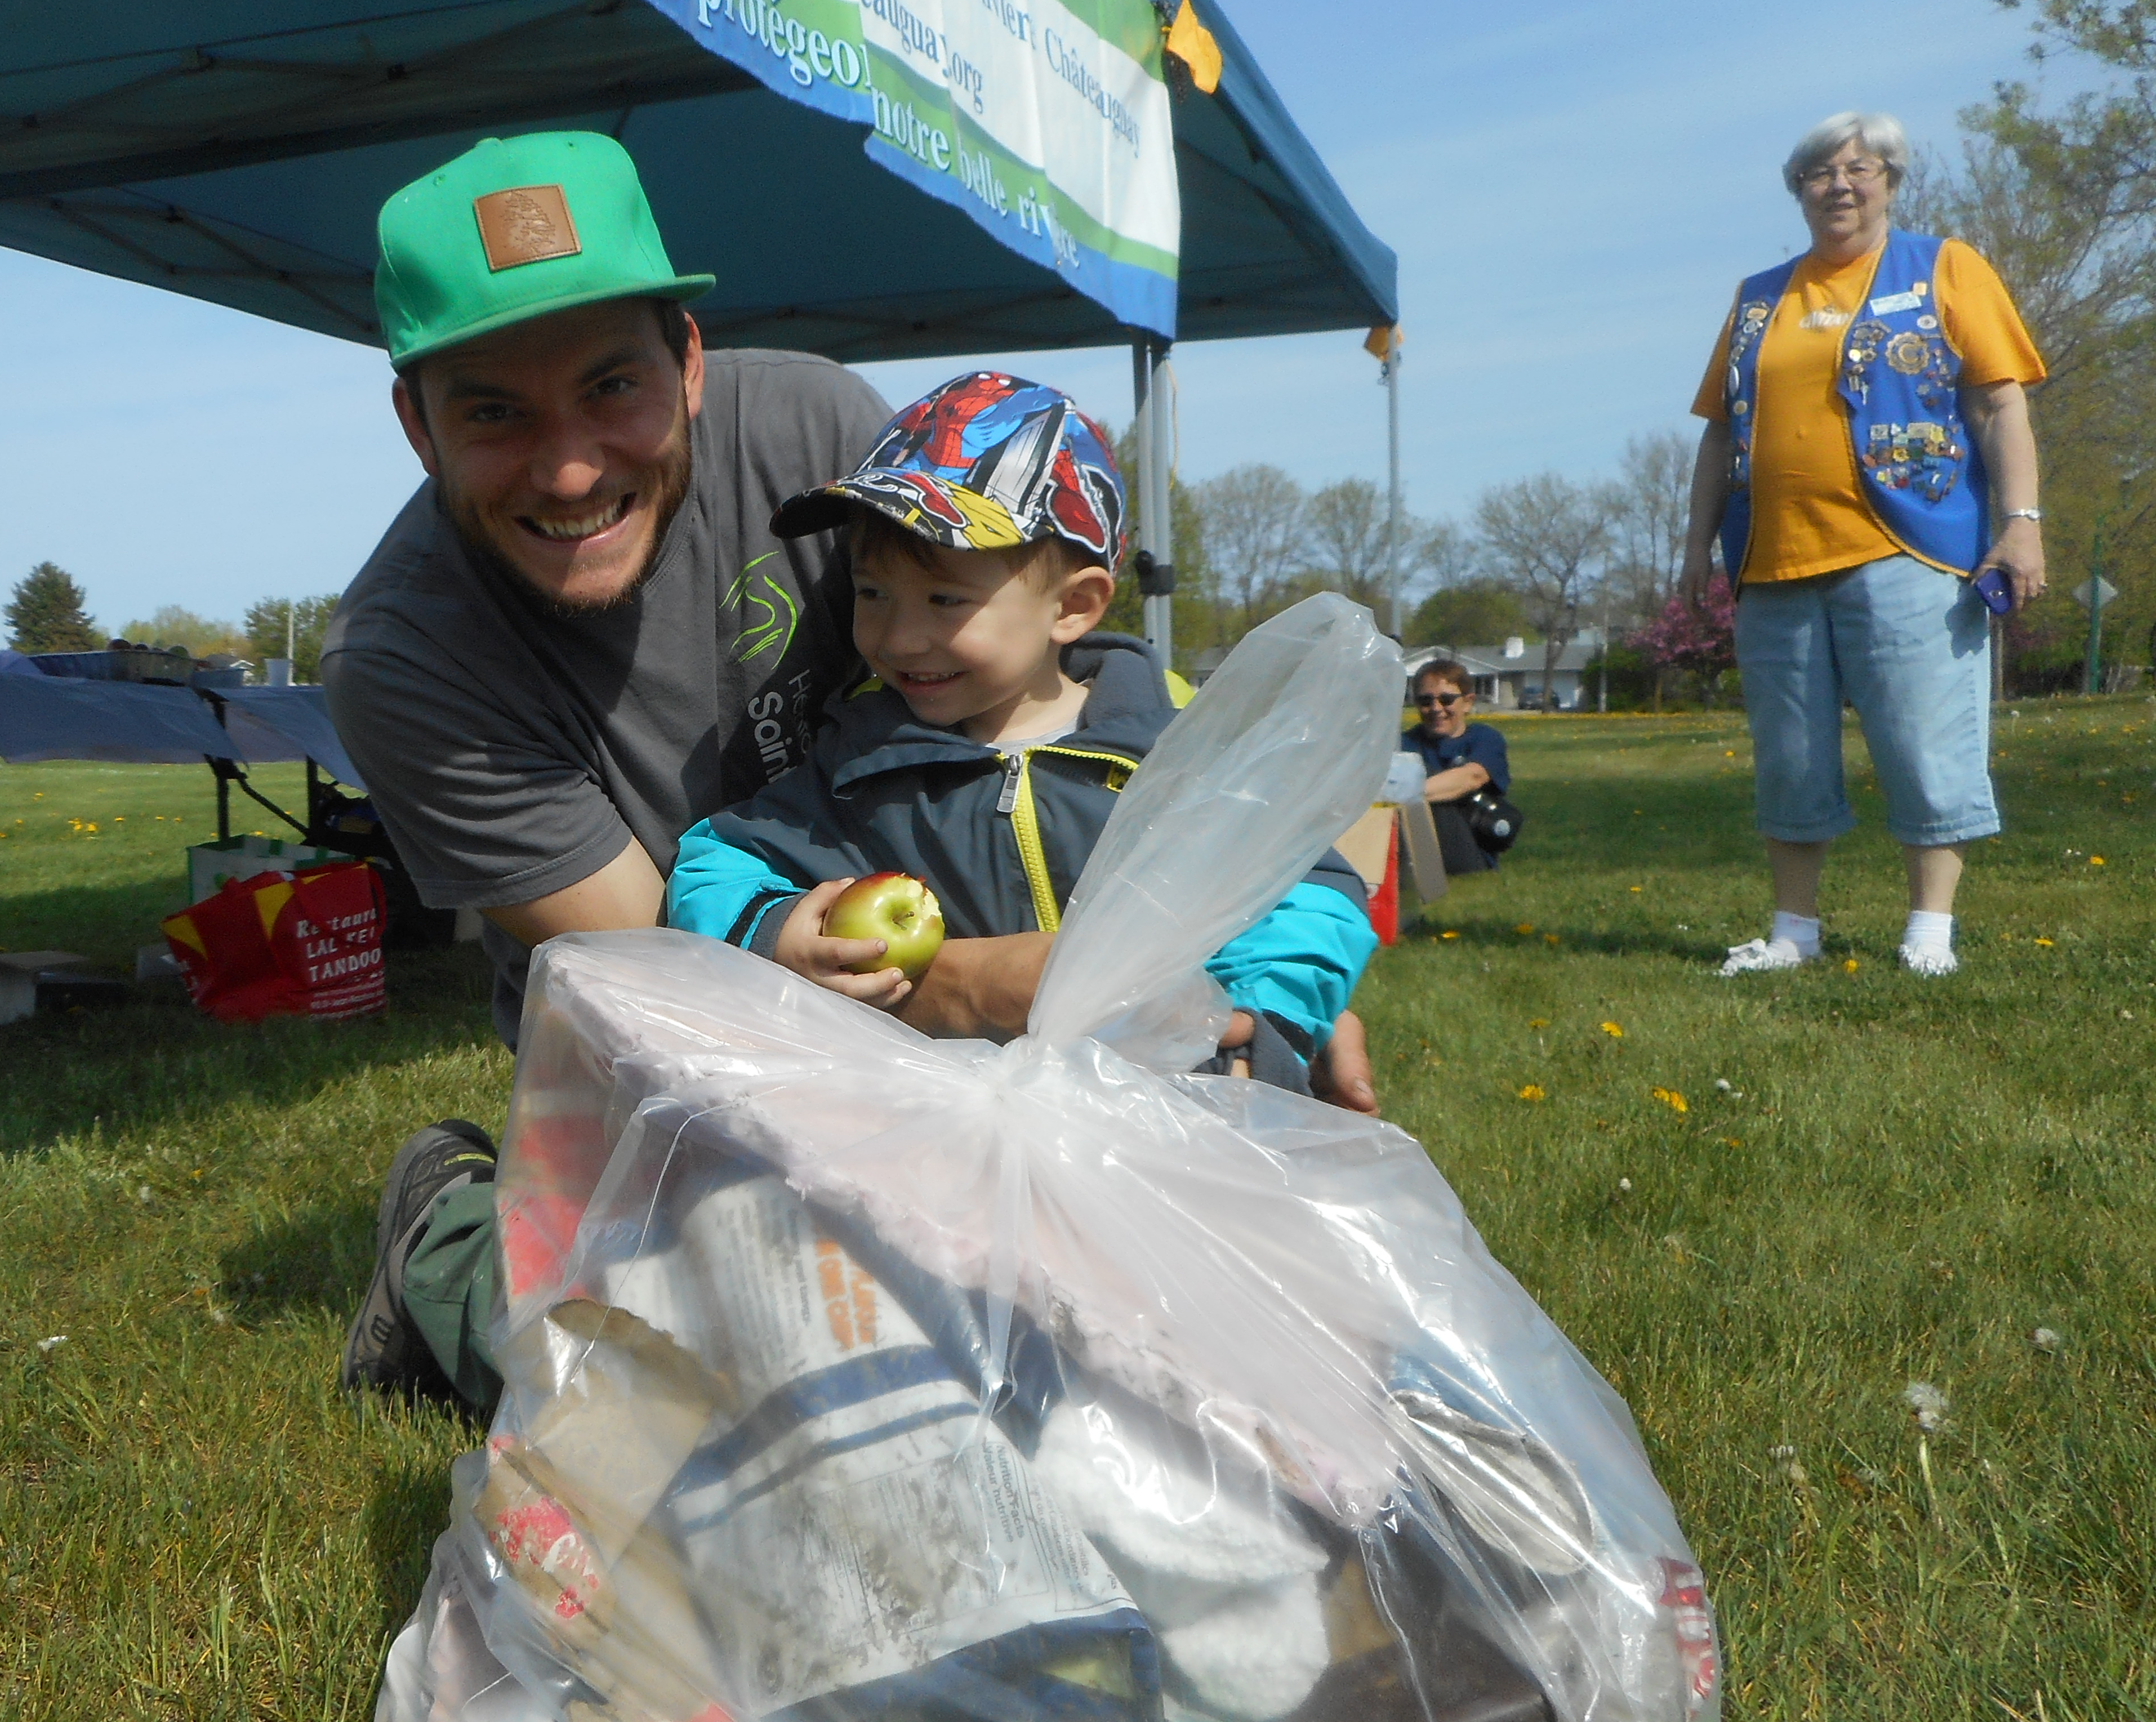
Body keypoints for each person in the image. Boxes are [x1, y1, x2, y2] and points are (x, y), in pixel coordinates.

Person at [322, 130, 1377, 1412]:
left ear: (693, 362)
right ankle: (453, 1238)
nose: (571, 468)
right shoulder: (404, 658)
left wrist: (1248, 981)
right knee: (699, 1389)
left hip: (988, 1048)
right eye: (492, 412)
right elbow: (661, 978)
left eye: (613, 387)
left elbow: (1031, 666)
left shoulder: (818, 431)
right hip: (685, 1050)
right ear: (415, 428)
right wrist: (1010, 991)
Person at [665, 371, 1377, 1091]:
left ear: (1073, 607)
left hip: (1169, 1111)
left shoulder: (1171, 759)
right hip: (943, 1135)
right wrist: (778, 930)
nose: (900, 638)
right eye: (872, 592)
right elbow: (716, 860)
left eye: (945, 599)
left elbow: (1306, 886)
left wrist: (1263, 1021)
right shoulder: (860, 765)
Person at [1678, 109, 2048, 979]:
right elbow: (1717, 435)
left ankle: (1929, 929)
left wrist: (2020, 527)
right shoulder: (1759, 296)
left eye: (1861, 168)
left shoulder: (1944, 268)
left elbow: (2000, 405)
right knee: (1790, 758)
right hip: (1773, 562)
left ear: (1891, 180)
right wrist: (1696, 549)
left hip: (1911, 552)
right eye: (1820, 172)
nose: (1840, 184)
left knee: (1926, 742)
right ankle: (1793, 932)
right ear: (1797, 189)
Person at [1401, 658, 1513, 875]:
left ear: (1468, 702)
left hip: (1469, 851)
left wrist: (1398, 793)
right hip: (1412, 850)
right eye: (1426, 701)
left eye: (1447, 700)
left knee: (1438, 795)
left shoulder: (1485, 739)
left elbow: (1472, 777)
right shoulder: (1404, 744)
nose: (1436, 709)